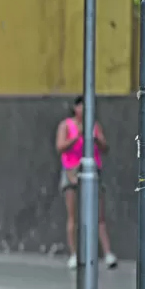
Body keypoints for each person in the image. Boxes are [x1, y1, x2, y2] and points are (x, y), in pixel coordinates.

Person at [56, 96, 118, 270]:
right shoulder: (66, 125)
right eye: (81, 106)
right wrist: (77, 137)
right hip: (71, 171)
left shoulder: (95, 125)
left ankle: (107, 253)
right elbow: (60, 146)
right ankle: (74, 254)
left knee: (99, 216)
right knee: (73, 215)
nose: (84, 110)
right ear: (75, 108)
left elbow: (105, 148)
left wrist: (95, 138)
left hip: (92, 171)